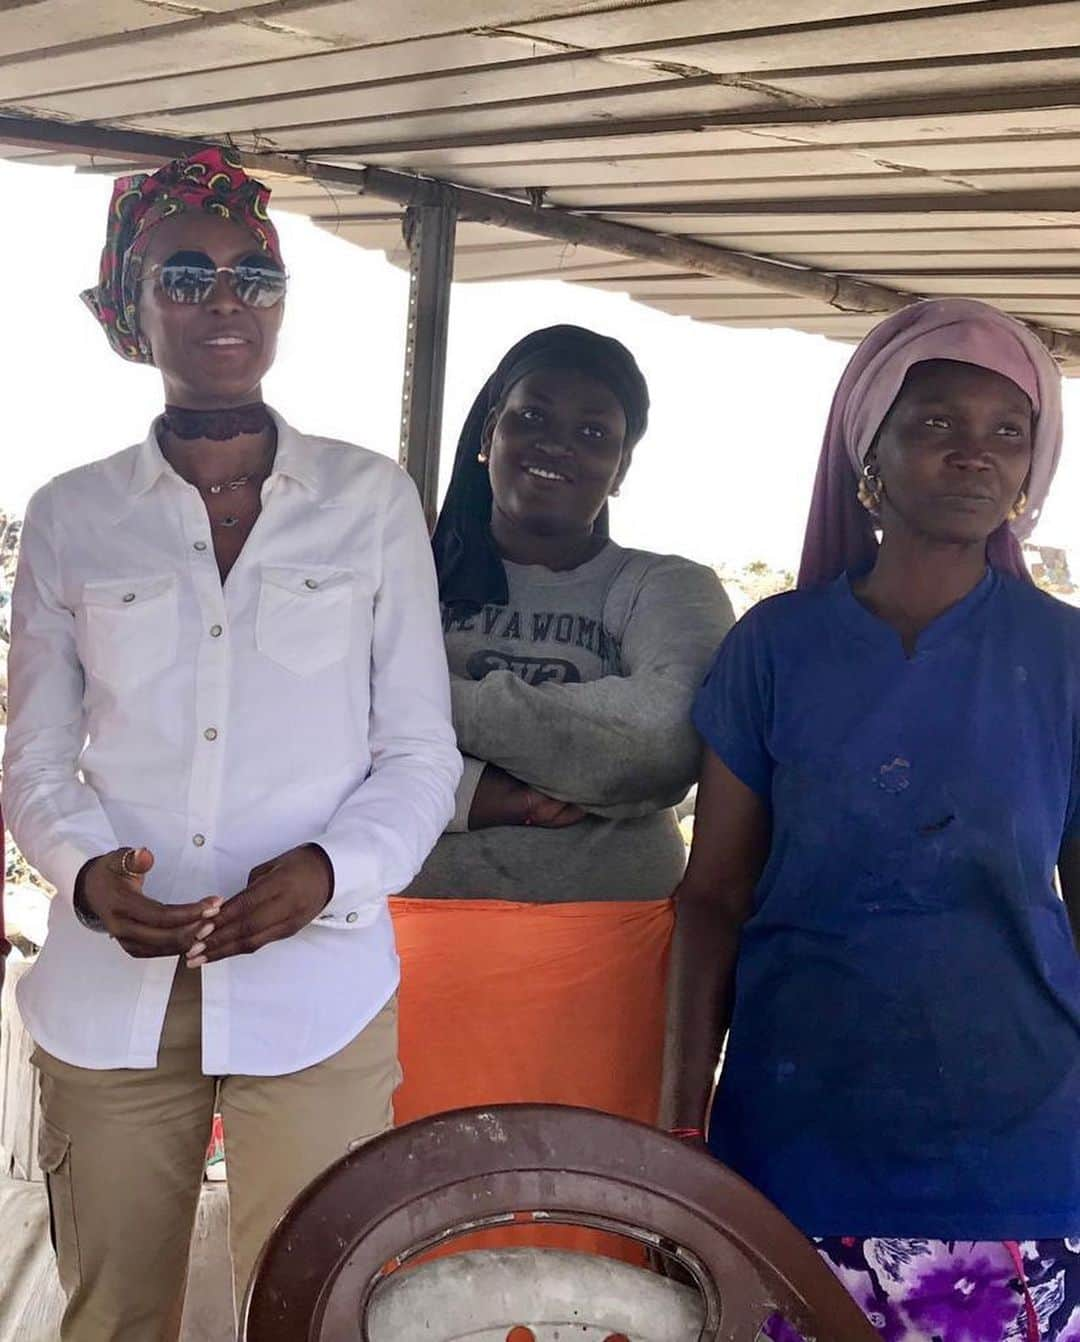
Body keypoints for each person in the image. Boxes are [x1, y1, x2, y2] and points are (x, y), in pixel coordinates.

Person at [2, 147, 460, 1340]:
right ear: (129, 304)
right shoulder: (71, 514)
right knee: (113, 1317)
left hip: (321, 980)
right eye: (186, 274)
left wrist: (328, 874)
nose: (224, 302)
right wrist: (90, 878)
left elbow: (417, 751)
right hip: (113, 990)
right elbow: (38, 756)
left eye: (254, 276)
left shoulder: (371, 500)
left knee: (314, 1308)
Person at [666, 298, 1080, 1341]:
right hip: (797, 1144)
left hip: (1020, 1157)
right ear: (870, 454)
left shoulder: (1065, 655)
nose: (974, 454)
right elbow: (712, 897)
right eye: (936, 422)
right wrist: (680, 1123)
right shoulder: (776, 648)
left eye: (1008, 432)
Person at [391, 326, 733, 1254]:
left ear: (622, 468)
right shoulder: (397, 575)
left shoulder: (666, 588)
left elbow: (658, 746)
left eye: (595, 433)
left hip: (611, 973)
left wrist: (420, 708)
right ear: (485, 435)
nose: (557, 445)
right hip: (407, 965)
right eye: (531, 417)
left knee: (588, 1247)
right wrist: (491, 798)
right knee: (412, 1243)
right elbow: (321, 737)